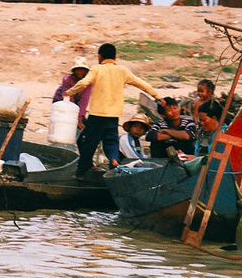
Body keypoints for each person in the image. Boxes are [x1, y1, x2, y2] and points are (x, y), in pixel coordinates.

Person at [64, 43, 163, 179]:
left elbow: (83, 83)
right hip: (113, 116)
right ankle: (114, 160)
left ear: (99, 57)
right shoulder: (122, 71)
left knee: (86, 142)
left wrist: (68, 92)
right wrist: (157, 96)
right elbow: (141, 83)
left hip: (97, 115)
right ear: (115, 57)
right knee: (111, 142)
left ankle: (80, 173)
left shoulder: (96, 69)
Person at [52, 56, 92, 129]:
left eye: (82, 70)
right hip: (61, 100)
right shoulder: (67, 79)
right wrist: (75, 120)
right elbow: (69, 98)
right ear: (74, 70)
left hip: (76, 102)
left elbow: (84, 101)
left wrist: (79, 119)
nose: (80, 72)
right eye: (78, 70)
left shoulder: (88, 82)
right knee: (64, 122)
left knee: (83, 125)